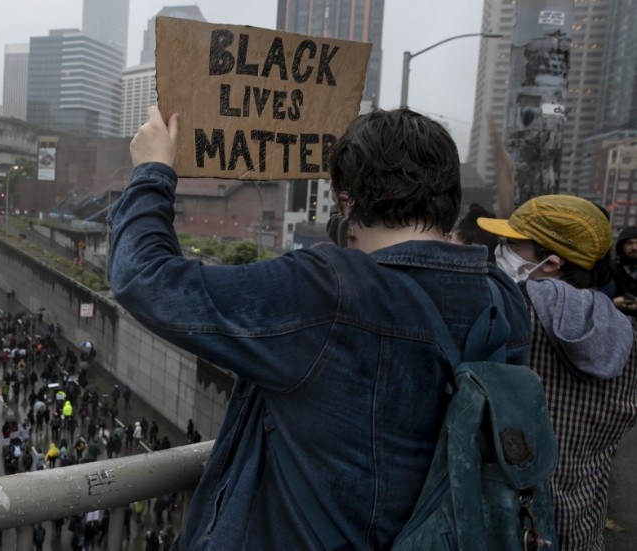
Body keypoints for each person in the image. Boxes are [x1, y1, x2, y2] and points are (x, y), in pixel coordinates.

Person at [107, 107, 532, 548]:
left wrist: (153, 172)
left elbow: (146, 278)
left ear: (346, 201)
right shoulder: (503, 299)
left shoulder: (329, 292)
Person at [478, 195, 637, 549]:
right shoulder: (629, 337)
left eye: (512, 244)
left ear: (551, 262)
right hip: (581, 528)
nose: (500, 250)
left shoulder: (505, 320)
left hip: (508, 528)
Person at [612, 226, 637, 316]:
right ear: (622, 246)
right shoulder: (610, 270)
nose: (634, 248)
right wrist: (612, 302)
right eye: (630, 243)